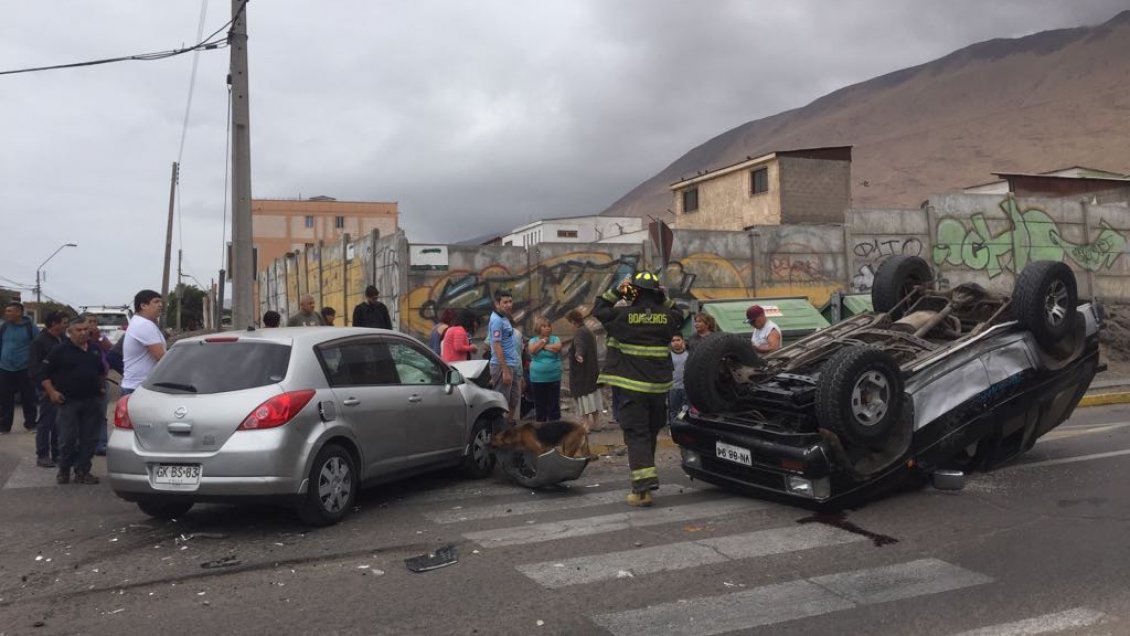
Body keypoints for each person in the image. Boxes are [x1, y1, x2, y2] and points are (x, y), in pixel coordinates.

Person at [593, 272, 683, 507]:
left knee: (636, 434)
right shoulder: (667, 316)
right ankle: (646, 480)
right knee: (650, 432)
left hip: (632, 389)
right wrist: (662, 297)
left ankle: (642, 488)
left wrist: (621, 291)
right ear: (656, 293)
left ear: (635, 292)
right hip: (658, 389)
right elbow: (680, 313)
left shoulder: (622, 316)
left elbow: (600, 307)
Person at [40, 316, 105, 485]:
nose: (84, 332)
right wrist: (52, 392)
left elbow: (101, 371)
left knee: (89, 439)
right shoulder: (60, 350)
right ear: (70, 332)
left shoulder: (94, 349)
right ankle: (64, 470)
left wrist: (101, 387)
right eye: (79, 330)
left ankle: (83, 471)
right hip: (68, 402)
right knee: (67, 439)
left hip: (91, 401)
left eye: (86, 329)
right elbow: (44, 375)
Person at [30, 311, 67, 466]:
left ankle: (57, 453)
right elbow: (34, 368)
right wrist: (45, 388)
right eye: (64, 322)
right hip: (47, 388)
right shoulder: (40, 341)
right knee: (46, 422)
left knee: (59, 423)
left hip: (62, 387)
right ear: (54, 323)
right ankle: (43, 454)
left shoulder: (64, 339)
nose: (67, 325)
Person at [0, 301, 40, 434]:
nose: (7, 314)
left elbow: (38, 346)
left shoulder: (30, 327)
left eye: (10, 311)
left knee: (28, 397)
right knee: (5, 399)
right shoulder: (4, 326)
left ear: (19, 312)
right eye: (6, 311)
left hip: (24, 368)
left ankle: (31, 424)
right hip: (5, 368)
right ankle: (4, 427)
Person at [122, 290, 166, 396]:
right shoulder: (143, 325)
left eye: (161, 302)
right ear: (143, 305)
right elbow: (162, 357)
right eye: (156, 302)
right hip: (139, 389)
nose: (160, 305)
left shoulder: (140, 322)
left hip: (137, 387)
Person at [488, 289, 521, 427]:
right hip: (502, 366)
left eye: (510, 301)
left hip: (511, 365)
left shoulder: (504, 318)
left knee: (513, 399)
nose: (508, 305)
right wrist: (505, 370)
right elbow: (496, 345)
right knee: (501, 403)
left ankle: (507, 430)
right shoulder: (496, 321)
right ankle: (497, 435)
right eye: (505, 302)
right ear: (497, 304)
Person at [565, 309, 602, 433]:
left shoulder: (580, 333)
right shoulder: (588, 331)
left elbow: (580, 346)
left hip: (582, 375)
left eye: (569, 323)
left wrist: (578, 355)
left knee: (584, 399)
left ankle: (585, 425)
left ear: (573, 322)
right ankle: (596, 424)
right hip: (592, 373)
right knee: (593, 398)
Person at [83, 314, 113, 456]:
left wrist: (99, 338)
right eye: (90, 321)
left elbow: (110, 350)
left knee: (101, 414)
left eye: (95, 322)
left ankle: (101, 444)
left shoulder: (101, 339)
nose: (93, 324)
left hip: (102, 381)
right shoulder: (81, 338)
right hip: (85, 383)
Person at [527, 316, 563, 422]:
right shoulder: (533, 340)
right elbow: (532, 350)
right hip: (537, 378)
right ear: (538, 328)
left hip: (554, 377)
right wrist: (543, 341)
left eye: (548, 326)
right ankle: (541, 427)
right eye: (544, 326)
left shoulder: (555, 339)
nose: (547, 328)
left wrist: (542, 347)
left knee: (554, 404)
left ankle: (554, 427)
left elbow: (557, 347)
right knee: (540, 404)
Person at [669, 333, 689, 425]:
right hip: (673, 388)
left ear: (683, 341)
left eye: (678, 340)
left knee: (685, 409)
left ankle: (682, 425)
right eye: (673, 341)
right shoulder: (668, 356)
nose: (676, 343)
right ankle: (674, 426)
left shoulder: (689, 355)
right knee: (673, 410)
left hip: (686, 387)